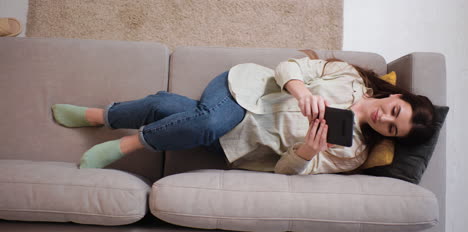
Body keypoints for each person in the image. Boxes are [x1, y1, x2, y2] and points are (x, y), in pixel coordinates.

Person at [51, 54, 435, 175]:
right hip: (242, 91)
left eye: (393, 129)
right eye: (395, 111)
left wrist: (305, 151)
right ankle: (126, 144)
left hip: (238, 145)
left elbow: (286, 171)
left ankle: (100, 115)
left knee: (170, 108)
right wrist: (299, 90)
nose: (386, 119)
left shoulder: (351, 152)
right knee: (206, 120)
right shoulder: (348, 77)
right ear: (397, 95)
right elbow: (289, 66)